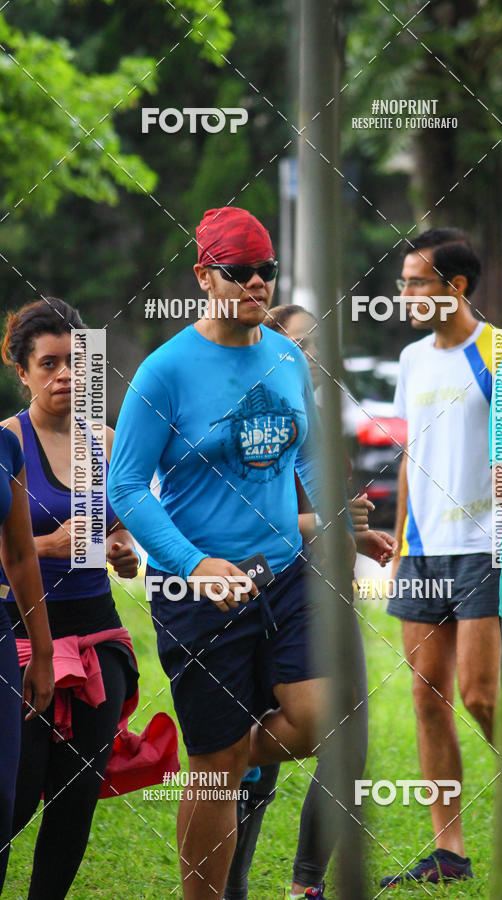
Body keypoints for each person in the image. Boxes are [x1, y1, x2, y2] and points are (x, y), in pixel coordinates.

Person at [107, 207, 354, 900]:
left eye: (265, 270)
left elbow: (304, 454)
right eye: (238, 271)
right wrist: (193, 565)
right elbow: (127, 485)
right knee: (217, 770)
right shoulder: (166, 371)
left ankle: (211, 760)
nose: (255, 283)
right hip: (200, 590)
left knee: (316, 718)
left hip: (284, 576)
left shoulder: (285, 355)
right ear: (203, 276)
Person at [224, 305, 395, 900]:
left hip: (326, 583)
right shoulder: (249, 416)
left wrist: (354, 530)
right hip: (268, 590)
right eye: (298, 343)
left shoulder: (308, 411)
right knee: (260, 744)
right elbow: (240, 520)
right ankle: (233, 885)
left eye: (315, 345)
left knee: (346, 737)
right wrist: (324, 521)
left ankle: (306, 885)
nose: (310, 356)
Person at [0, 298, 141, 899]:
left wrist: (125, 547)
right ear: (22, 371)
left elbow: (122, 523)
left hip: (97, 632)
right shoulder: (6, 444)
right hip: (23, 632)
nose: (64, 376)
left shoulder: (106, 441)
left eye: (74, 364)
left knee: (77, 790)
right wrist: (46, 546)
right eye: (49, 363)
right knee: (16, 787)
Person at [380, 230, 502, 886]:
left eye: (416, 283)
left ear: (455, 287)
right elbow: (410, 460)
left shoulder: (501, 352)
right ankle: (448, 852)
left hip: (485, 548)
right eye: (403, 283)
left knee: (480, 696)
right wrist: (400, 545)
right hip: (423, 552)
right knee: (428, 696)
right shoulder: (410, 361)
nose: (404, 295)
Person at [0, 425, 54, 893]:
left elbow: (18, 554)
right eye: (50, 363)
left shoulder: (3, 445)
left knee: (2, 794)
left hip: (1, 636)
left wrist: (41, 651)